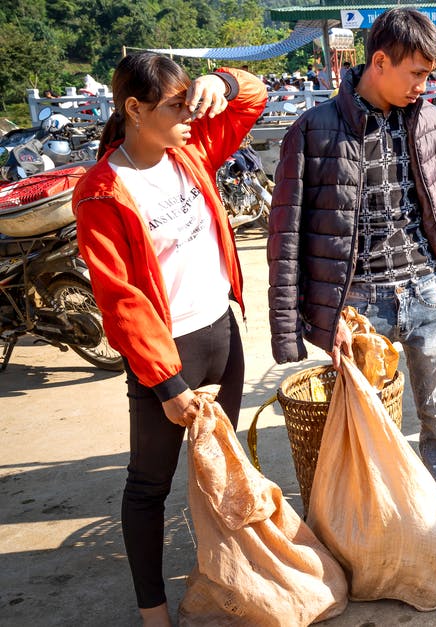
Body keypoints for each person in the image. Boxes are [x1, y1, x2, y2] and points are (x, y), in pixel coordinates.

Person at [267, 8, 436, 564]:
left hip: (426, 291)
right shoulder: (313, 130)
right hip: (359, 307)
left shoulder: (431, 123)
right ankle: (374, 523)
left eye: (430, 74)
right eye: (416, 73)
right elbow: (287, 236)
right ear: (379, 61)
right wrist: (317, 318)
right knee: (366, 429)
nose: (424, 85)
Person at [72, 53, 265, 626]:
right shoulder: (102, 191)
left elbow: (253, 97)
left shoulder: (191, 149)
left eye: (188, 103)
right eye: (174, 105)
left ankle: (229, 581)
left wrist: (220, 82)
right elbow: (121, 299)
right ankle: (153, 611)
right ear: (134, 109)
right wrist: (167, 383)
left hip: (221, 336)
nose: (188, 114)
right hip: (167, 355)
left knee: (223, 475)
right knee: (148, 486)